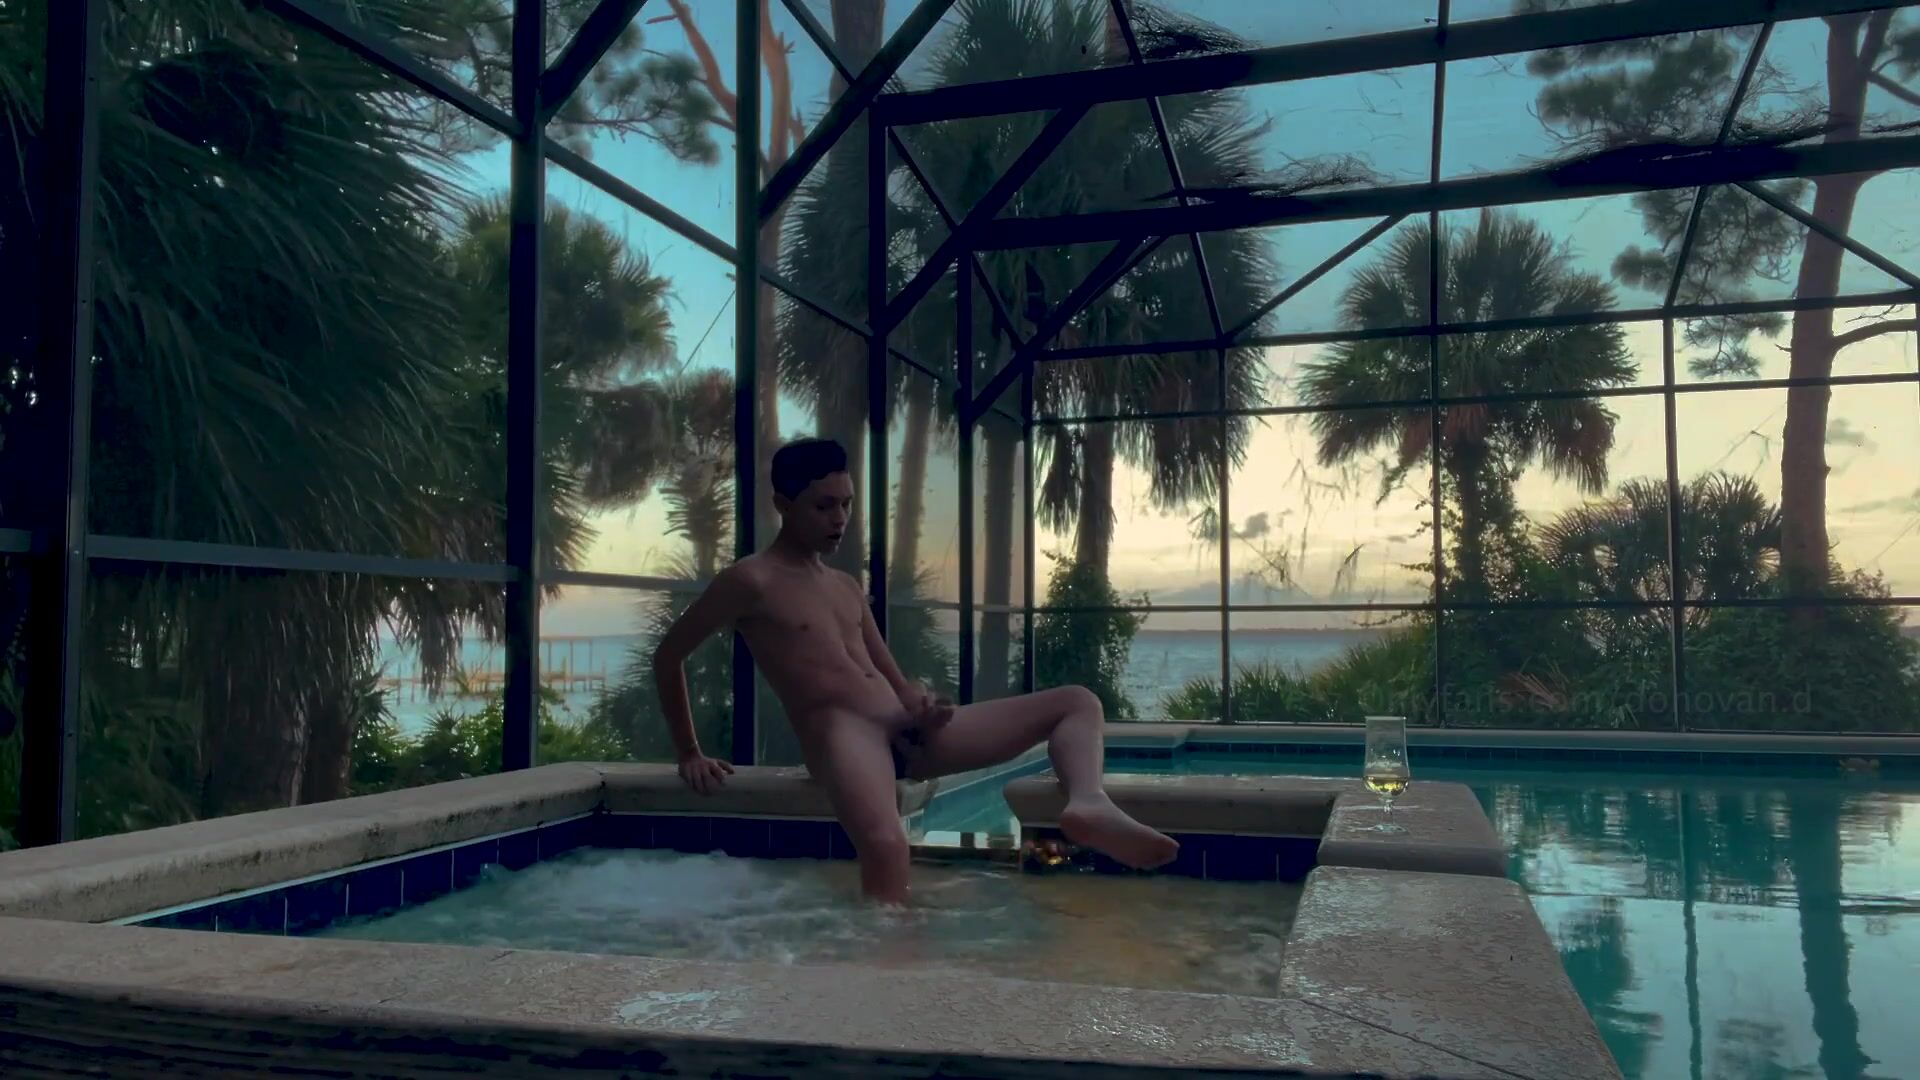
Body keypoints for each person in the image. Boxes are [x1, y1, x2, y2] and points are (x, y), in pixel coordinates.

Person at [651, 437, 1178, 903]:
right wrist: (690, 752)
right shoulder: (751, 581)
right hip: (843, 734)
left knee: (1077, 702)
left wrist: (923, 706)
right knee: (887, 847)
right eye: (823, 506)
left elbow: (892, 677)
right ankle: (894, 964)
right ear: (783, 505)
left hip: (905, 730)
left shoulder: (845, 587)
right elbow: (669, 655)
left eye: (847, 504)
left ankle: (1088, 802)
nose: (839, 518)